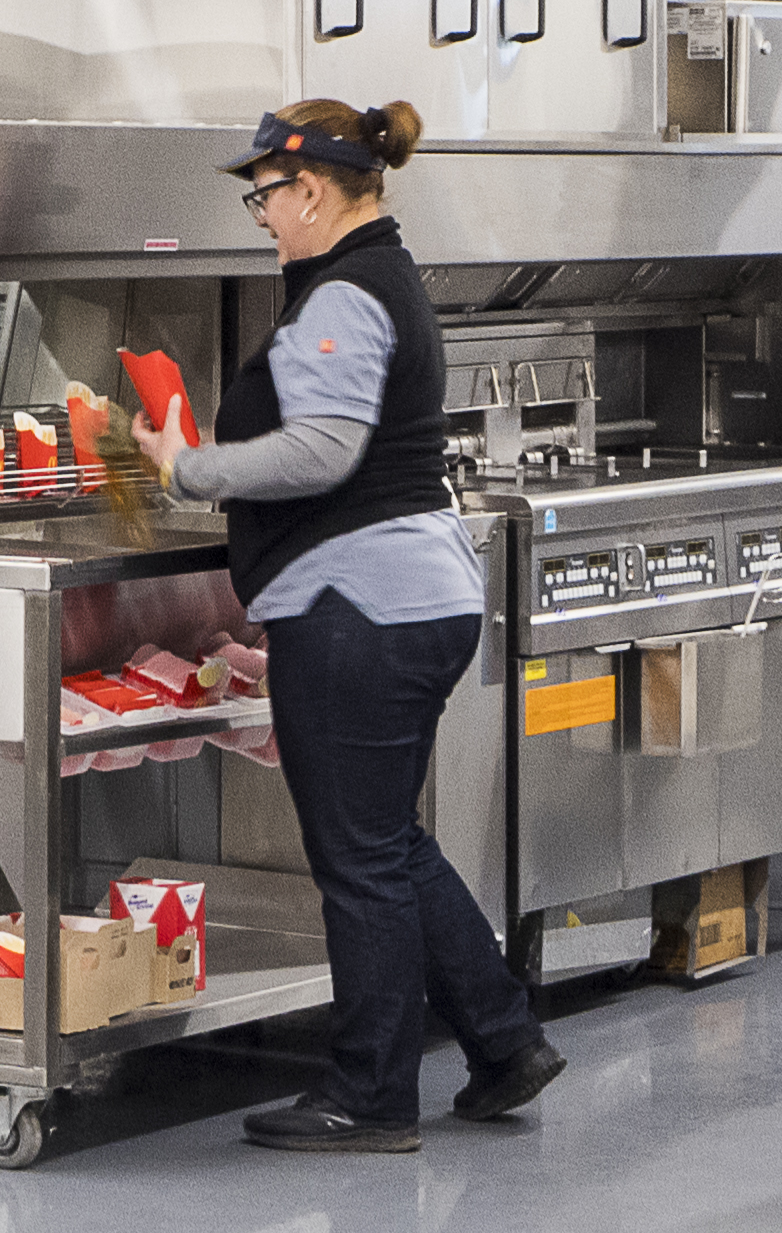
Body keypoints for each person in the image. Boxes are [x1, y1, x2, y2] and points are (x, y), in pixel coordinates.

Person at [147, 96, 546, 1150]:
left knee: (356, 858)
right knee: (389, 843)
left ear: (311, 190)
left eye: (264, 197)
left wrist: (190, 467)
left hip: (357, 606)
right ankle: (504, 1041)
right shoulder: (377, 277)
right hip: (408, 595)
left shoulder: (340, 294)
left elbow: (320, 449)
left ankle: (368, 1093)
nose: (262, 216)